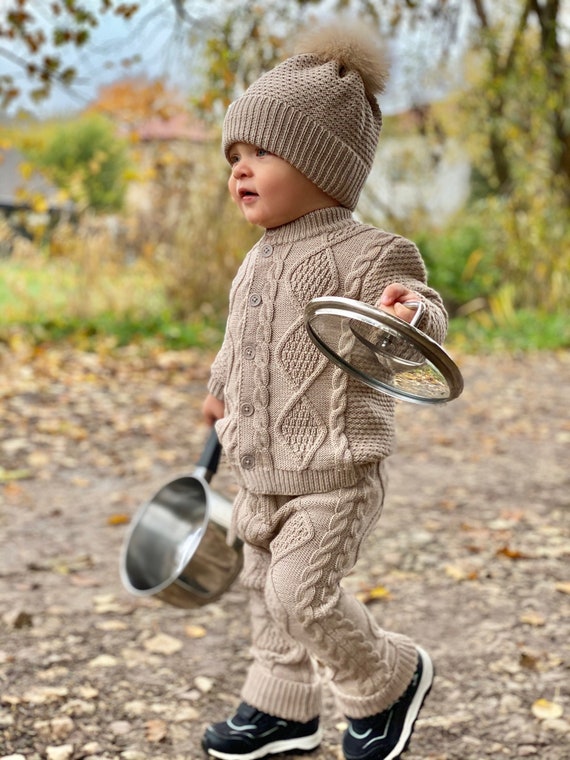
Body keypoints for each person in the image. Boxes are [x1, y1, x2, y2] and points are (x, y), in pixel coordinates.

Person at [201, 18, 447, 760]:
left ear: (323, 164)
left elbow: (418, 325)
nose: (239, 170)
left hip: (333, 472)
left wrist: (408, 312)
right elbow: (240, 345)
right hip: (260, 470)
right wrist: (219, 391)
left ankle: (387, 678)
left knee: (297, 593)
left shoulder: (372, 251)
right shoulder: (255, 262)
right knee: (264, 593)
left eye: (260, 153)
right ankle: (280, 708)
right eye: (233, 157)